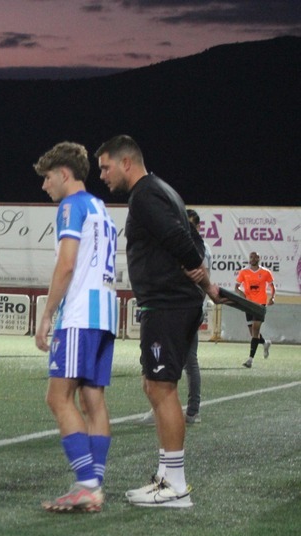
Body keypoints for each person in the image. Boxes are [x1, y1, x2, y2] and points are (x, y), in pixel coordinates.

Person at [96, 135, 220, 509]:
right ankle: (166, 476)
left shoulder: (146, 195)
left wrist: (204, 280)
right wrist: (201, 281)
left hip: (169, 304)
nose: (102, 175)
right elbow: (190, 239)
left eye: (105, 167)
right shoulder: (161, 190)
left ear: (126, 162)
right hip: (165, 304)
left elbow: (182, 241)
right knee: (153, 385)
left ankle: (176, 485)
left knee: (162, 387)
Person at [33, 142, 118, 513]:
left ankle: (85, 484)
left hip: (80, 314)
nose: (45, 185)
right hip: (105, 315)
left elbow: (66, 265)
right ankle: (93, 485)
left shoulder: (71, 206)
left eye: (48, 177)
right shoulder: (102, 208)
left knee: (58, 397)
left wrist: (47, 314)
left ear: (65, 174)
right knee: (93, 400)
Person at [137, 208, 208, 425]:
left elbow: (197, 274)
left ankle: (179, 409)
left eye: (189, 225)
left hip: (182, 309)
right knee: (172, 361)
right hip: (178, 308)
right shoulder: (177, 244)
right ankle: (176, 409)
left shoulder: (198, 248)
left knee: (180, 361)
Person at [235, 250, 276, 368]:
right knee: (253, 333)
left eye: (255, 257)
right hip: (248, 304)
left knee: (255, 329)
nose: (252, 259)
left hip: (260, 305)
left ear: (258, 259)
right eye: (251, 257)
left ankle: (250, 360)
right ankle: (265, 343)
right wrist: (242, 296)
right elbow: (236, 287)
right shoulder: (244, 272)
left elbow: (273, 286)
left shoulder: (265, 272)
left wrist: (272, 298)